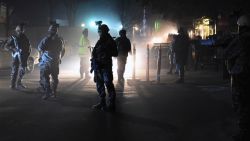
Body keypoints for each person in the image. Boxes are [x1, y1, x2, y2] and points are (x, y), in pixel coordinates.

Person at [224, 14, 250, 141]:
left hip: (240, 76)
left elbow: (227, 54)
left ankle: (245, 132)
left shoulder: (240, 40)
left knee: (241, 104)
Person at [90, 24, 118, 111]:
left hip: (106, 66)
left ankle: (111, 104)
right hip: (98, 66)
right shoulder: (100, 41)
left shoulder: (110, 41)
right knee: (99, 85)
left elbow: (116, 53)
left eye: (100, 31)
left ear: (105, 31)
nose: (99, 33)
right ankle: (102, 103)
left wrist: (107, 51)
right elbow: (95, 53)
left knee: (108, 84)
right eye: (99, 31)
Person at [38, 22, 65, 100]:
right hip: (55, 62)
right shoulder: (60, 40)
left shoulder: (46, 39)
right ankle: (54, 93)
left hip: (46, 62)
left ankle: (47, 93)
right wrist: (59, 58)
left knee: (45, 78)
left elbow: (40, 48)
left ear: (50, 30)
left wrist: (41, 57)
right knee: (55, 78)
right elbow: (63, 51)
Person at [4, 23, 31, 89]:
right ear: (17, 30)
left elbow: (28, 47)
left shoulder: (25, 38)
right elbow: (6, 47)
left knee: (23, 70)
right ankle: (13, 85)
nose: (21, 31)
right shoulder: (13, 38)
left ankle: (19, 83)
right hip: (16, 57)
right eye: (20, 29)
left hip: (24, 57)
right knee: (15, 71)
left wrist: (27, 54)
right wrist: (13, 49)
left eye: (22, 29)